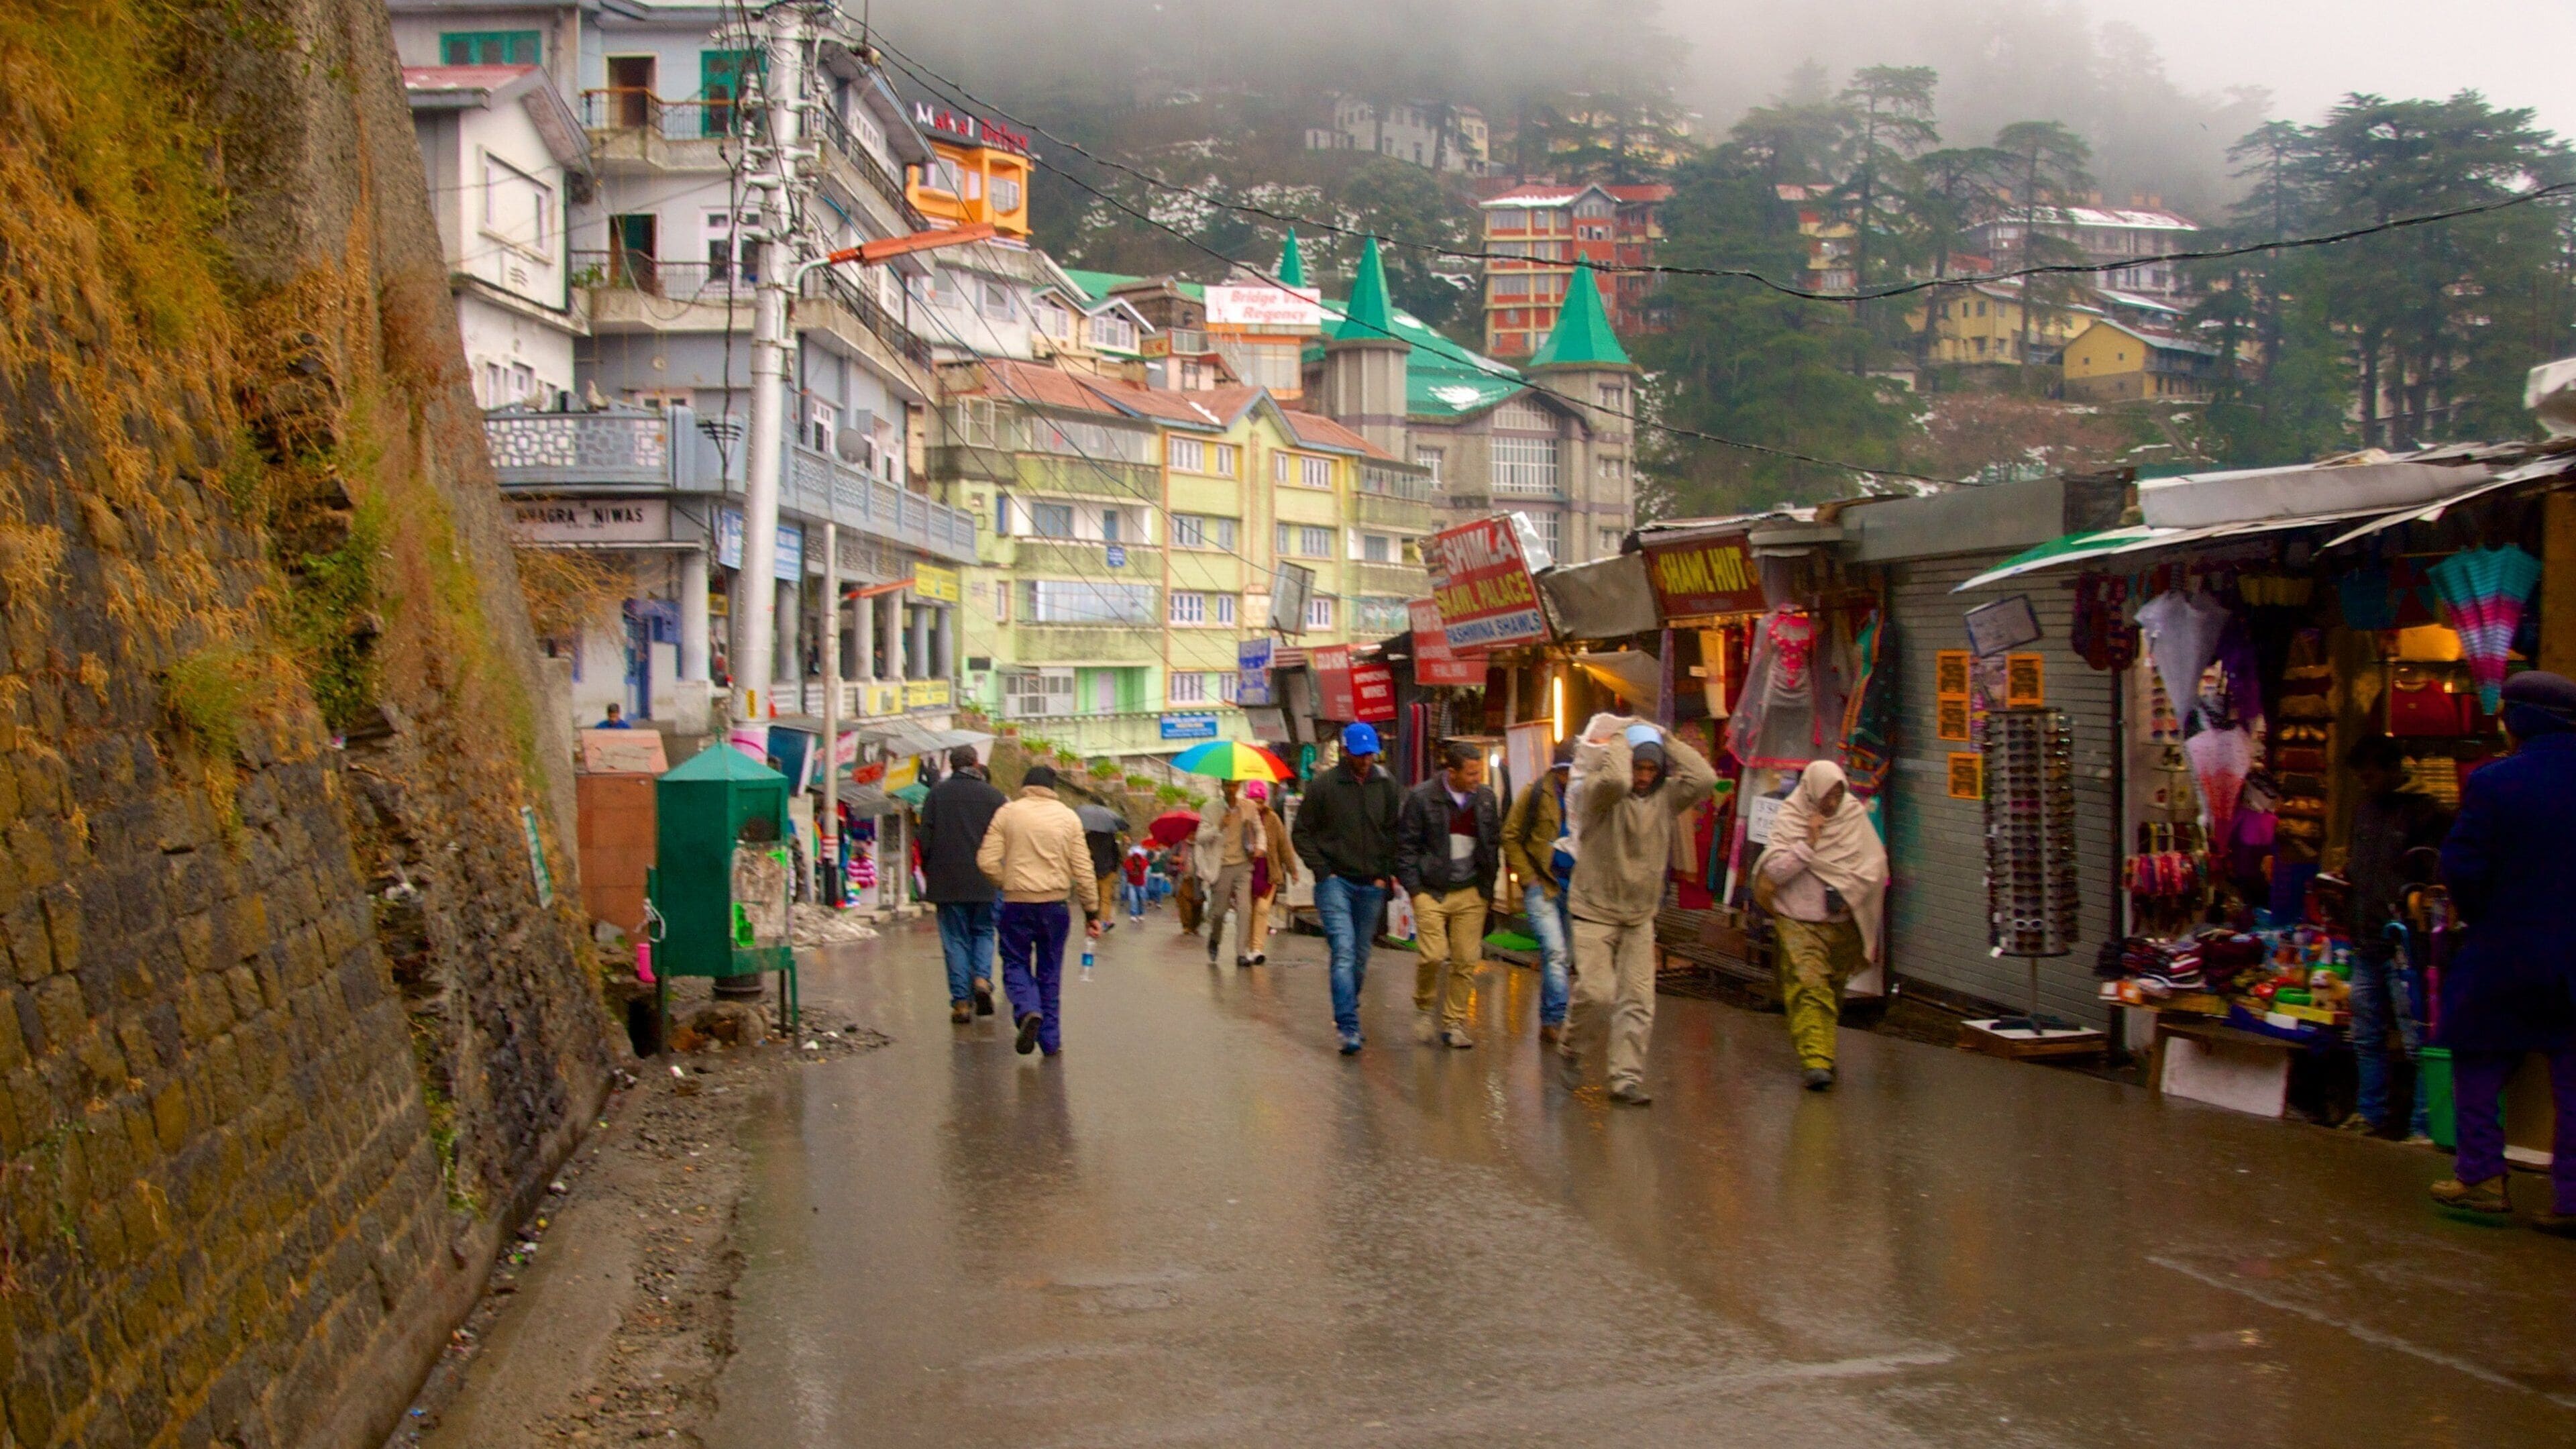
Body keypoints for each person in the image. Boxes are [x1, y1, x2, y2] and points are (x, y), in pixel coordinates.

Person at [2431, 671, 2576, 1232]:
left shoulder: (2496, 783)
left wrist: (2481, 913)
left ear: (2520, 720)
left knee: (2479, 1059)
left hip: (2506, 948)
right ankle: (2571, 1198)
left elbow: (2463, 866)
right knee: (2571, 1077)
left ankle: (2482, 1178)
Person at [1559, 720, 1716, 1105]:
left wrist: (1667, 741)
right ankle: (1571, 1047)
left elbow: (1706, 778)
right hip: (1594, 909)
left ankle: (1626, 1078)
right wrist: (1618, 739)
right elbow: (1614, 781)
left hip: (1640, 915)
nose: (1644, 776)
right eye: (1639, 768)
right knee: (1598, 993)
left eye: (1651, 769)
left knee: (1639, 1000)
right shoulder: (1600, 795)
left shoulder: (1667, 799)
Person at [2332, 736, 2451, 1137]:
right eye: (2361, 772)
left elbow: (2435, 877)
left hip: (2405, 946)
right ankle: (2371, 1113)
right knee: (2366, 1034)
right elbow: (2357, 866)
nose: (2366, 779)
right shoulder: (2365, 811)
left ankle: (2422, 1125)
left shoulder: (2427, 814)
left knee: (2416, 1039)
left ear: (2395, 769)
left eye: (2373, 771)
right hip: (2365, 939)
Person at [1757, 760, 1888, 1090]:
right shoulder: (1791, 817)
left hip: (1842, 922)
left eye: (1838, 794)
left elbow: (1875, 866)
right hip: (1798, 919)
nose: (1831, 803)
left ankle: (1823, 1051)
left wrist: (1851, 894)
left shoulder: (1853, 818)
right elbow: (1773, 872)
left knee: (1831, 987)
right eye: (1826, 795)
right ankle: (1816, 1061)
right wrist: (1808, 844)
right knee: (1808, 986)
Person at [1293, 722, 1405, 1055]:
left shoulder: (1386, 786)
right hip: (1334, 883)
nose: (1366, 760)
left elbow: (1394, 833)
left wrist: (1385, 874)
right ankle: (1348, 1026)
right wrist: (1323, 871)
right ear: (1345, 753)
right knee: (1343, 950)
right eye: (1359, 755)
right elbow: (1301, 833)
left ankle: (1348, 1008)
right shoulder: (1323, 788)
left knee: (1359, 958)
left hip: (1371, 885)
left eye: (1370, 754)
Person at [975, 765, 1101, 1058]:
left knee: (1015, 963)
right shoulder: (1069, 818)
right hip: (1055, 906)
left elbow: (986, 861)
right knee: (1050, 972)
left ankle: (1028, 1010)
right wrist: (1092, 912)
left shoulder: (1008, 813)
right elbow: (1084, 869)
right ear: (1052, 789)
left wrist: (1006, 882)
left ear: (1026, 786)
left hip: (1016, 903)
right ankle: (1050, 1041)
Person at [1397, 741, 1502, 1049]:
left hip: (1471, 890)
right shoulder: (1422, 798)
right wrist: (1414, 890)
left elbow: (1491, 843)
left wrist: (1486, 889)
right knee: (1433, 955)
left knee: (1467, 960)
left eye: (1479, 772)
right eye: (1471, 773)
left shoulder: (1485, 800)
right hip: (1431, 889)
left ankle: (1454, 1023)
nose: (1477, 779)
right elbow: (1406, 847)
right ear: (1451, 772)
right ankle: (1424, 1005)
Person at [919, 745, 1008, 1024]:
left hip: (947, 881)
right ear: (976, 763)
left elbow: (924, 840)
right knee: (983, 931)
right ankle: (982, 979)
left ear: (952, 765)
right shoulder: (995, 797)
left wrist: (930, 869)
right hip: (985, 880)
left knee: (955, 939)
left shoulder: (936, 795)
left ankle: (960, 1002)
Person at [1501, 740, 1577, 1048]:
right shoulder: (1534, 793)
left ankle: (1548, 1020)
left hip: (1575, 889)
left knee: (1561, 956)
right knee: (1556, 952)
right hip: (1542, 886)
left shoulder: (1586, 797)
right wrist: (1528, 877)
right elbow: (1510, 834)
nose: (1569, 778)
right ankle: (1558, 1018)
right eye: (1564, 772)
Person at [1195, 780, 1265, 966]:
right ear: (1222, 786)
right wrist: (1218, 827)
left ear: (1239, 786)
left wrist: (1260, 848)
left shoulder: (1249, 807)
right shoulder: (1209, 809)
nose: (1231, 790)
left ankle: (1241, 953)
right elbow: (1200, 838)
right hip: (1222, 866)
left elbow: (1260, 830)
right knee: (1219, 913)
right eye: (1227, 786)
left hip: (1243, 865)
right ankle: (1215, 939)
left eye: (1234, 786)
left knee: (1245, 909)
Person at [1242, 780, 1297, 965]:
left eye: (1260, 801)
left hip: (1269, 872)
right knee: (1249, 911)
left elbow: (1284, 846)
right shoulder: (1243, 818)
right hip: (1247, 872)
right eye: (1254, 801)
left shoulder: (1273, 818)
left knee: (1262, 909)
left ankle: (1257, 949)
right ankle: (1249, 947)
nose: (1257, 805)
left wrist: (1293, 870)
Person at [1085, 814, 1125, 934]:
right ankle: (1106, 921)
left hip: (1093, 871)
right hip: (1108, 871)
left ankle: (1094, 920)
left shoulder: (1088, 837)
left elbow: (1085, 855)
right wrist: (1114, 869)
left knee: (1094, 897)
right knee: (1106, 898)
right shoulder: (1110, 837)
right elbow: (1117, 855)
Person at [1121, 841, 1151, 923]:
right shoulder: (1129, 861)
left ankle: (1141, 913)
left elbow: (1144, 867)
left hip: (1141, 883)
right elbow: (1127, 868)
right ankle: (1133, 914)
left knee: (1141, 899)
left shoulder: (1144, 861)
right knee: (1133, 899)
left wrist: (1139, 864)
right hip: (1131, 883)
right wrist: (1133, 867)